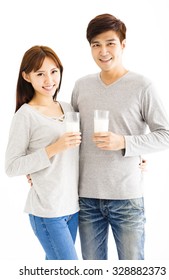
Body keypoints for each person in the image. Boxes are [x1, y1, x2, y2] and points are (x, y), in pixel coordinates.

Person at [71, 13, 169, 260]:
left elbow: (166, 135)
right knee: (93, 272)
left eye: (110, 43)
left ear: (123, 44)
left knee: (132, 271)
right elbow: (70, 138)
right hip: (86, 198)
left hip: (127, 198)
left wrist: (125, 143)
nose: (103, 51)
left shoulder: (142, 86)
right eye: (96, 45)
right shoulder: (81, 86)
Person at [5, 45, 81, 260]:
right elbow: (11, 167)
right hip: (48, 211)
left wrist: (133, 158)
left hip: (73, 207)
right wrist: (53, 149)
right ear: (27, 76)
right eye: (40, 74)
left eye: (53, 71)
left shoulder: (69, 109)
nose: (49, 80)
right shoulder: (25, 115)